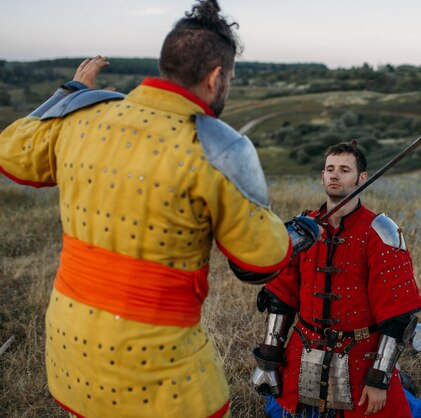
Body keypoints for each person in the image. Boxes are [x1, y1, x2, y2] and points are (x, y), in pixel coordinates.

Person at [0, 1, 321, 417]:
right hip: (160, 372)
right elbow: (259, 260)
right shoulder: (219, 148)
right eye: (231, 79)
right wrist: (298, 235)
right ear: (217, 76)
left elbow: (11, 150)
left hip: (69, 349)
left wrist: (69, 93)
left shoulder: (85, 115)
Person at [250, 141, 421, 417]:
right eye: (330, 169)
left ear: (361, 179)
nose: (335, 175)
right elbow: (280, 298)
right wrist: (268, 361)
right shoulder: (303, 229)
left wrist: (379, 378)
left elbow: (398, 315)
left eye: (344, 170)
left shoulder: (380, 233)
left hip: (360, 359)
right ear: (322, 176)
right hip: (303, 353)